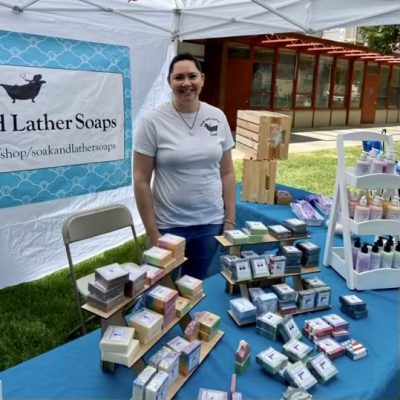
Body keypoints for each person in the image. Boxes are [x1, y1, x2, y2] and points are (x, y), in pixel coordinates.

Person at [133, 52, 236, 280]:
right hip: (169, 225)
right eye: (179, 77)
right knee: (160, 293)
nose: (186, 83)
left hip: (210, 223)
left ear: (202, 79)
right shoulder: (152, 122)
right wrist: (152, 233)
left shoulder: (217, 117)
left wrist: (230, 219)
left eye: (192, 76)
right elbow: (140, 180)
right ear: (169, 82)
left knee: (195, 288)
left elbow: (227, 173)